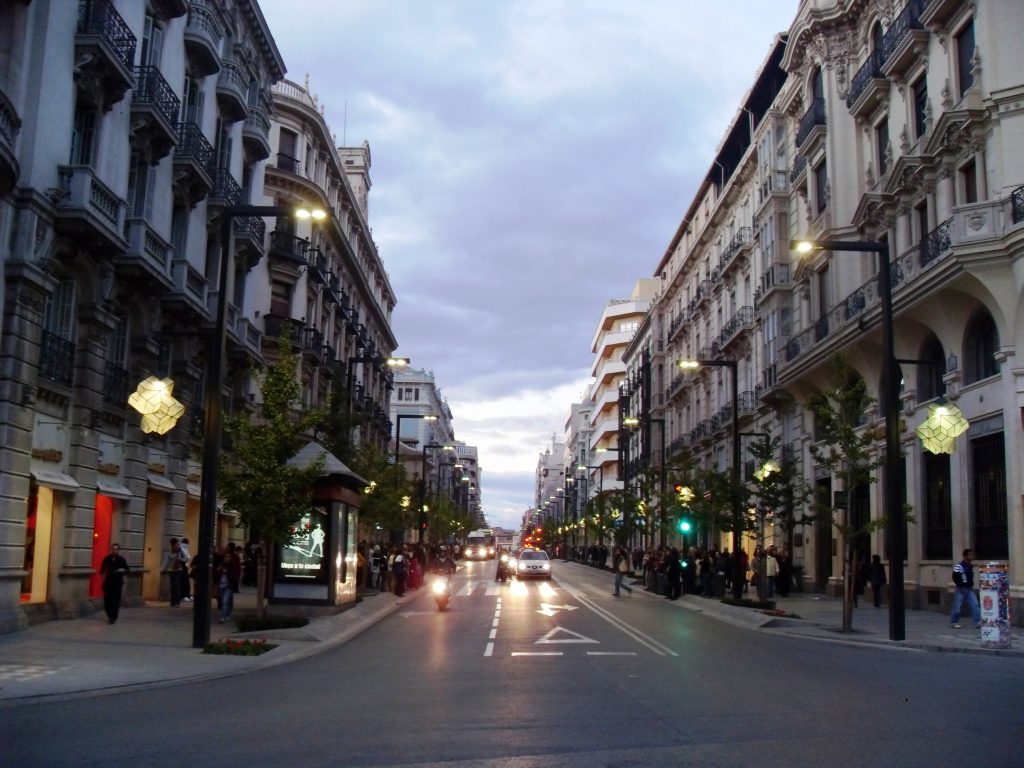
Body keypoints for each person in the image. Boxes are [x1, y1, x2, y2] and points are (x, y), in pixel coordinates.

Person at [98, 543, 129, 624]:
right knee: (107, 601)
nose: (114, 551)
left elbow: (127, 569)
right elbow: (102, 569)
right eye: (113, 549)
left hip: (117, 583)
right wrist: (103, 577)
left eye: (116, 549)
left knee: (115, 601)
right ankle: (109, 615)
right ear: (111, 550)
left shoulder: (121, 559)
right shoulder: (107, 558)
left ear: (118, 550)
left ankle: (113, 617)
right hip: (108, 582)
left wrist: (122, 570)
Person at [950, 548, 981, 629]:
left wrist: (971, 584)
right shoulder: (959, 566)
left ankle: (978, 621)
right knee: (957, 605)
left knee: (975, 604)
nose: (972, 556)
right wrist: (960, 585)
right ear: (965, 556)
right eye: (970, 555)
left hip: (969, 588)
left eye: (972, 555)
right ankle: (954, 622)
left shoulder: (970, 566)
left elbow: (970, 577)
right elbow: (954, 576)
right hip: (961, 589)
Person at [213, 548, 239, 623]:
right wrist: (218, 570)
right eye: (225, 557)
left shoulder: (232, 566)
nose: (227, 558)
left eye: (228, 557)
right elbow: (215, 575)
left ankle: (222, 618)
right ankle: (227, 614)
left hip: (228, 586)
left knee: (225, 602)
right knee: (223, 601)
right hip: (221, 586)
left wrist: (227, 572)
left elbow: (234, 576)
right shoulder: (220, 565)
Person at [161, 538, 186, 606]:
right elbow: (166, 562)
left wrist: (180, 558)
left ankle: (177, 601)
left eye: (178, 544)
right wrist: (162, 569)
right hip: (171, 570)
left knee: (176, 585)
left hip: (179, 570)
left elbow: (186, 558)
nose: (178, 545)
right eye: (176, 544)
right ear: (173, 545)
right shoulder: (169, 552)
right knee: (172, 586)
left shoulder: (180, 551)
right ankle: (172, 602)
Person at [179, 537, 193, 602]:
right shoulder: (183, 548)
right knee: (185, 581)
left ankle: (186, 595)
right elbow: (186, 557)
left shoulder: (182, 548)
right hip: (183, 565)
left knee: (185, 581)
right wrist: (185, 559)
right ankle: (185, 595)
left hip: (184, 565)